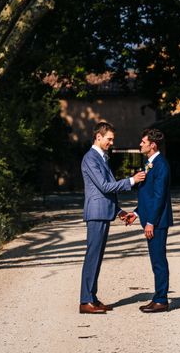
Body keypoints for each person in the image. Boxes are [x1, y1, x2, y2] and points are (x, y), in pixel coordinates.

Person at [79, 121, 146, 314]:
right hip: (96, 213)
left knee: (97, 257)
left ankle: (92, 297)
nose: (111, 142)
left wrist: (119, 212)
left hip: (104, 212)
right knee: (92, 257)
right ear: (98, 137)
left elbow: (107, 192)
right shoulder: (90, 158)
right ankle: (85, 301)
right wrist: (132, 181)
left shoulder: (102, 158)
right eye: (109, 139)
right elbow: (105, 187)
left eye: (112, 139)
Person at [125, 128, 173, 313]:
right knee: (155, 260)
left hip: (158, 222)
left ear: (152, 145)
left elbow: (159, 196)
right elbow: (148, 195)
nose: (140, 144)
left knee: (159, 261)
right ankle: (158, 297)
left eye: (143, 142)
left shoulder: (161, 165)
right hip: (152, 219)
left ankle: (161, 299)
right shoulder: (150, 163)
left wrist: (151, 222)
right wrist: (136, 214)